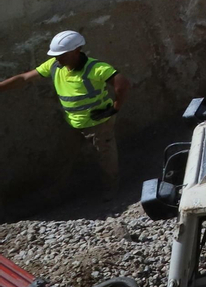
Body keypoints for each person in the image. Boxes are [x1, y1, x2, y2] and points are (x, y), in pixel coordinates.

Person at [0, 31, 130, 186]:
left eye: (62, 54)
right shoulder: (54, 66)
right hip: (73, 122)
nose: (57, 58)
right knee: (65, 156)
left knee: (106, 156)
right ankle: (59, 190)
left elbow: (122, 83)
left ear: (76, 50)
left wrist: (115, 109)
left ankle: (112, 188)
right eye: (55, 55)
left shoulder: (95, 68)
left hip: (98, 123)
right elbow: (24, 78)